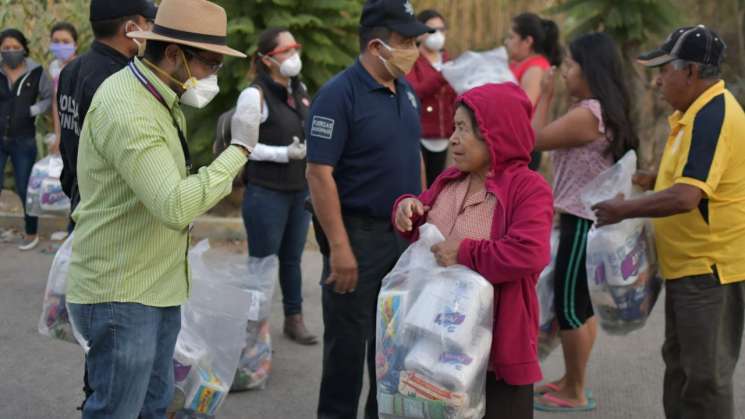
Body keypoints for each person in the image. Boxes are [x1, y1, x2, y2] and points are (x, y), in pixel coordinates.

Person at [65, 0, 256, 417]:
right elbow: (174, 204)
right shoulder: (130, 109)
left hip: (155, 286)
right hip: (122, 293)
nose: (213, 76)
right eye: (209, 64)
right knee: (117, 410)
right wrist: (239, 149)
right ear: (173, 54)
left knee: (154, 406)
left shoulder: (161, 98)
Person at [592, 25, 745, 419]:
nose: (658, 80)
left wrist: (622, 211)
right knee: (680, 368)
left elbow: (686, 196)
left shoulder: (713, 115)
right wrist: (645, 179)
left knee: (705, 379)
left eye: (664, 69)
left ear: (690, 72)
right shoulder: (692, 115)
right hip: (686, 269)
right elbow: (684, 180)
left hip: (708, 272)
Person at [393, 82, 554, 419]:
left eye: (463, 129)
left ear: (495, 133)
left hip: (496, 347)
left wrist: (465, 252)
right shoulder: (450, 180)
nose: (453, 139)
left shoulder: (527, 187)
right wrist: (406, 210)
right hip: (435, 338)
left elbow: (530, 252)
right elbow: (423, 225)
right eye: (454, 128)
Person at [306, 0, 432, 417]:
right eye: (406, 41)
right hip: (356, 236)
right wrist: (340, 247)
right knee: (347, 349)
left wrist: (426, 216)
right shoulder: (339, 94)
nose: (414, 49)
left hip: (401, 239)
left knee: (391, 351)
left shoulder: (406, 92)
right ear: (377, 43)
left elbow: (412, 154)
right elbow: (319, 174)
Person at [530, 32, 638, 413]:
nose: (564, 73)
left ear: (589, 69)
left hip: (579, 222)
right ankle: (572, 379)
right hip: (585, 221)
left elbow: (532, 139)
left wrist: (542, 93)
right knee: (580, 307)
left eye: (571, 65)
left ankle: (575, 390)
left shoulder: (587, 114)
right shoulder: (600, 109)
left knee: (569, 308)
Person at [235, 27, 316, 345]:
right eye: (286, 51)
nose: (294, 56)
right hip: (265, 192)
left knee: (292, 259)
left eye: (295, 48)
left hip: (299, 191)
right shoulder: (253, 96)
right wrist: (285, 154)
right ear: (268, 59)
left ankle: (294, 319)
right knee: (262, 263)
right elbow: (242, 146)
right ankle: (254, 330)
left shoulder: (300, 89)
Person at [58, 0, 157, 224]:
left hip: (80, 198)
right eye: (148, 23)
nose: (151, 31)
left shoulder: (72, 70)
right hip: (110, 212)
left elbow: (67, 143)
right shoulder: (120, 80)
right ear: (131, 29)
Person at [0, 28, 54, 251]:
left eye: (15, 47)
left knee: (25, 188)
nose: (11, 51)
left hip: (24, 140)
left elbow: (49, 97)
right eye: (5, 48)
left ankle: (31, 232)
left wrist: (34, 110)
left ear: (24, 48)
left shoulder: (36, 72)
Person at [504, 12, 562, 171]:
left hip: (522, 144)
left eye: (511, 37)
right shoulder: (518, 63)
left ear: (527, 41)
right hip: (511, 141)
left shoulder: (535, 67)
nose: (506, 42)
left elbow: (523, 106)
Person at [406, 9, 456, 186]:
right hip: (421, 135)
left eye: (442, 30)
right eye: (432, 30)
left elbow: (454, 97)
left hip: (444, 136)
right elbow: (414, 91)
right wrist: (441, 75)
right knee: (419, 185)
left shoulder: (449, 60)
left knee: (439, 185)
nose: (438, 35)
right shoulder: (412, 59)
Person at [49, 22, 78, 155]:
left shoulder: (81, 68)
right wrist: (58, 134)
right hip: (65, 126)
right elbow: (56, 102)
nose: (61, 46)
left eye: (65, 42)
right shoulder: (54, 67)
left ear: (75, 45)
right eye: (56, 41)